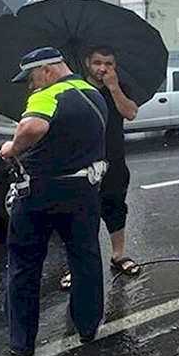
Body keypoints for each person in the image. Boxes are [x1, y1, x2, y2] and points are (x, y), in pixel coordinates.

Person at [0, 47, 108, 356]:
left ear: (47, 70)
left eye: (31, 77)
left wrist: (12, 147)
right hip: (84, 190)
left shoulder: (49, 93)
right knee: (85, 257)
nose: (30, 85)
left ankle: (22, 342)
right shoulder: (93, 94)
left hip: (40, 192)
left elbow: (33, 127)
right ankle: (87, 328)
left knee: (25, 263)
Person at [58, 46, 141, 290]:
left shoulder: (120, 87)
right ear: (87, 63)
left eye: (109, 63)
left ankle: (118, 256)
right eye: (97, 62)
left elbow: (131, 113)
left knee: (116, 207)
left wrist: (114, 88)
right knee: (81, 215)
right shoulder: (74, 88)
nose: (102, 68)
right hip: (81, 164)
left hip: (114, 160)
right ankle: (77, 265)